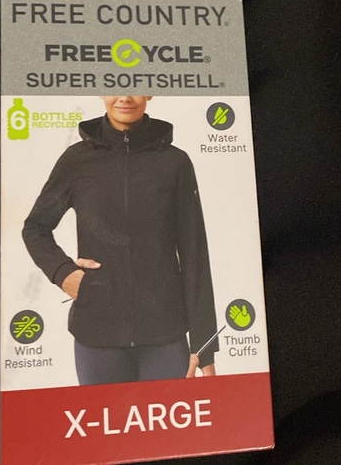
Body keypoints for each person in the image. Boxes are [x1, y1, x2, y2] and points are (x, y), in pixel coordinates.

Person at [22, 96, 218, 385]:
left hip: (165, 335)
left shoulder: (175, 162)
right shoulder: (77, 160)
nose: (125, 96)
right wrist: (64, 273)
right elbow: (35, 227)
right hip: (97, 336)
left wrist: (205, 347)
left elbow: (194, 253)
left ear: (150, 92)